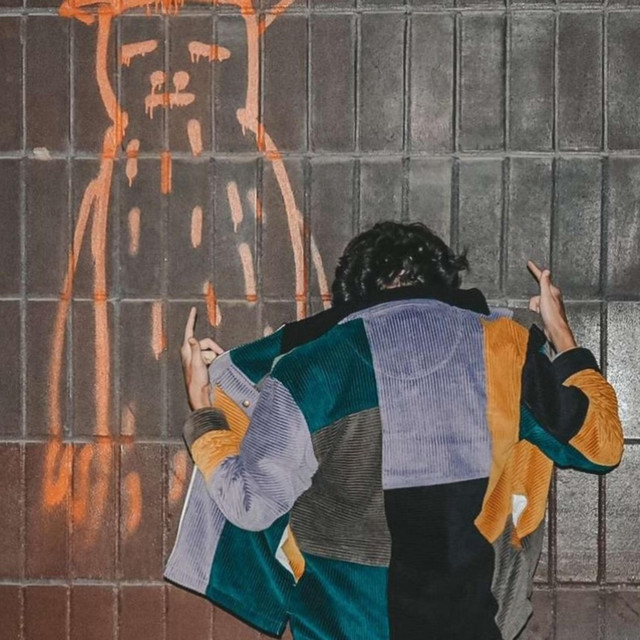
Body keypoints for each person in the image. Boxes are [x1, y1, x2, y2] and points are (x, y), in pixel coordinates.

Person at [165, 221, 623, 640]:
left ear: (348, 294)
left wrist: (205, 409)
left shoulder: (307, 368)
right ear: (443, 282)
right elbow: (601, 447)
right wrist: (560, 333)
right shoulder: (507, 348)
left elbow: (249, 504)